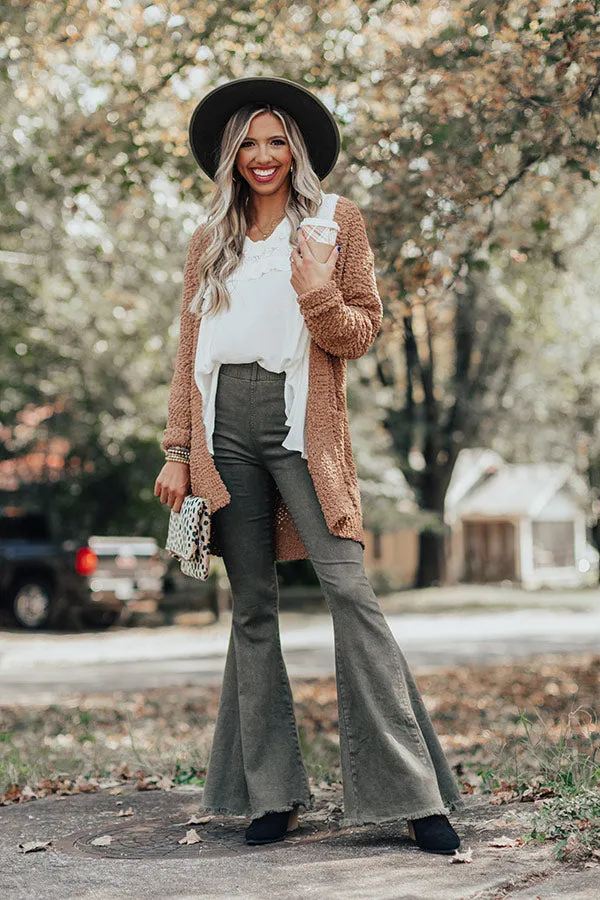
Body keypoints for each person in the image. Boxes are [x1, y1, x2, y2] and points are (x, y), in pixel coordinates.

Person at [154, 76, 465, 853]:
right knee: (252, 607)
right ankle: (272, 795)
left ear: (298, 148)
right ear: (232, 157)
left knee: (350, 592)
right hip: (222, 427)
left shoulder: (336, 222)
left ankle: (413, 795)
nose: (264, 157)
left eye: (276, 141)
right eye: (248, 144)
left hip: (302, 431)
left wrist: (318, 293)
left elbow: (360, 332)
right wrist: (178, 452)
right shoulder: (208, 241)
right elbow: (190, 352)